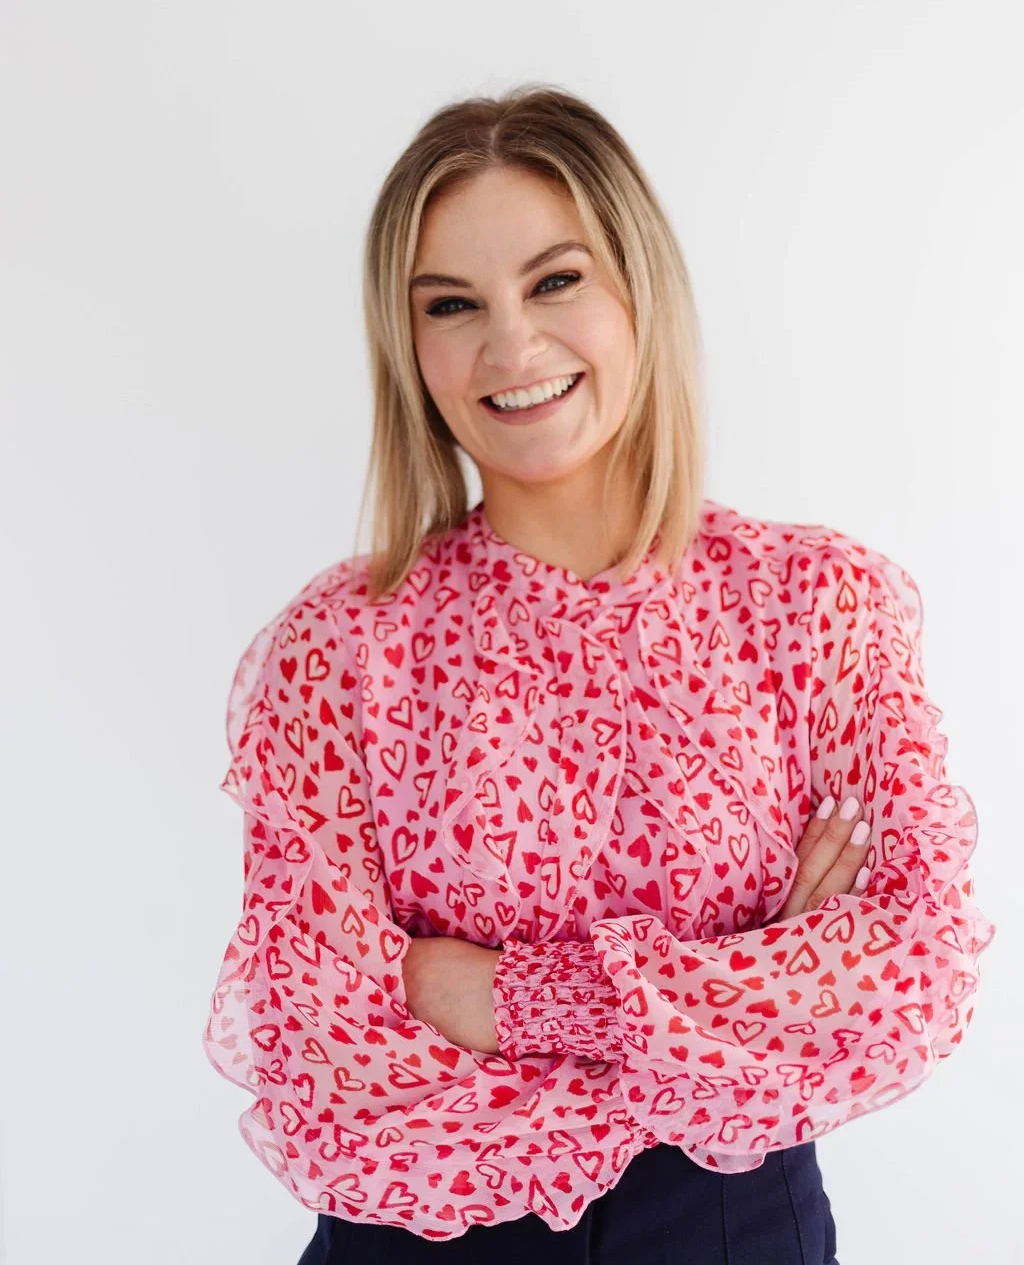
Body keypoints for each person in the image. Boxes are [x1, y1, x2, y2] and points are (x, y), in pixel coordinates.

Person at [203, 85, 996, 1262]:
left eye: (555, 280)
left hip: (730, 1230)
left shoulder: (813, 608)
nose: (510, 346)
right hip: (422, 1237)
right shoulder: (341, 649)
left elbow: (912, 967)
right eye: (452, 304)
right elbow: (325, 1043)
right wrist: (738, 987)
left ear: (639, 289)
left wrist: (498, 1000)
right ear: (407, 344)